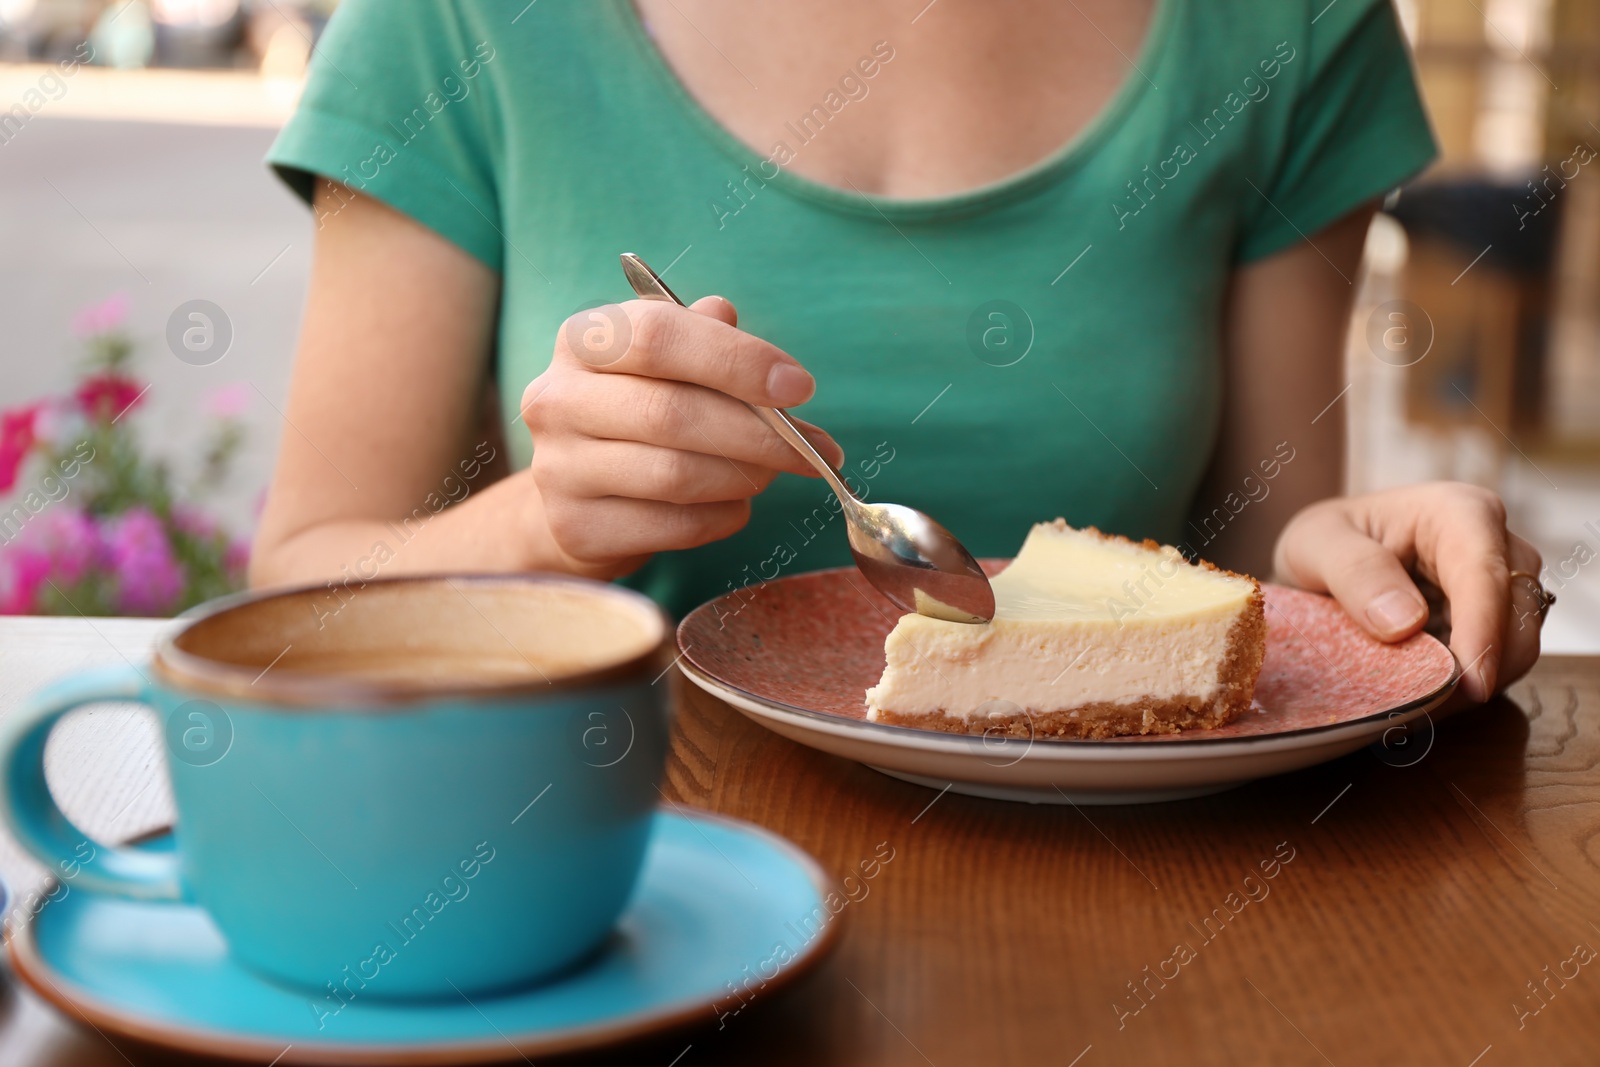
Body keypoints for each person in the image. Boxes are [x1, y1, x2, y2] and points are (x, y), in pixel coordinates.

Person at [250, 0, 1546, 706]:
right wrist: (546, 522)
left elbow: (1259, 550)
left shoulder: (1288, 23)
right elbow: (293, 612)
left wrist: (1364, 574)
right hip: (611, 881)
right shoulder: (452, 23)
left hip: (1137, 891)